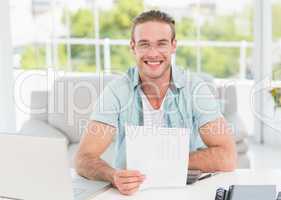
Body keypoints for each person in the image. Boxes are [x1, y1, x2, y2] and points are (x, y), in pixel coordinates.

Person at [75, 10, 237, 195]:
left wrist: (164, 160)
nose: (153, 53)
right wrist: (113, 175)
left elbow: (227, 156)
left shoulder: (195, 89)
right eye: (144, 44)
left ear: (173, 46)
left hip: (184, 190)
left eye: (161, 44)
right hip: (132, 193)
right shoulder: (117, 91)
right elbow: (83, 158)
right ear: (133, 46)